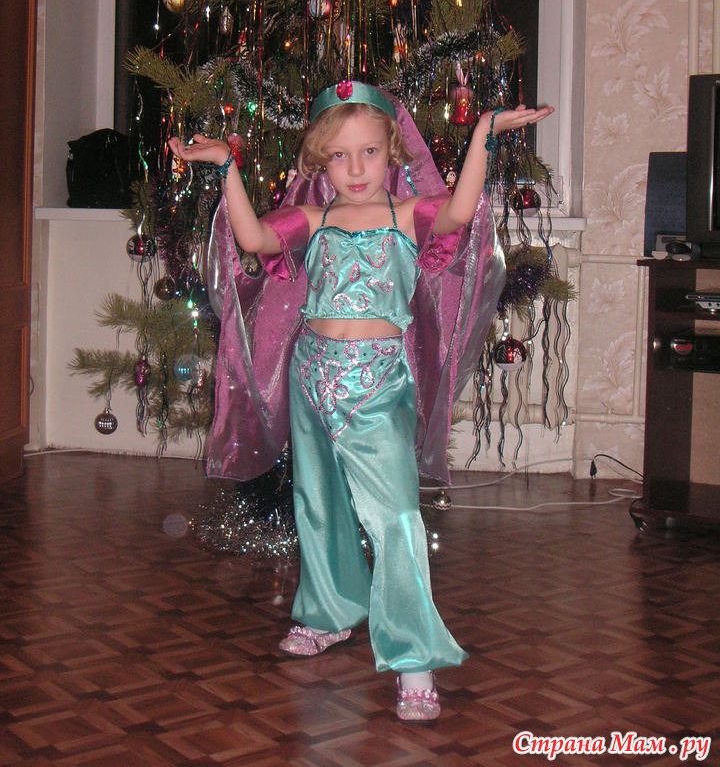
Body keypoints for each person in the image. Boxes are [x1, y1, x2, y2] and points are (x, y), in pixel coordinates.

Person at [169, 82, 553, 721]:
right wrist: (228, 166)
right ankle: (330, 612)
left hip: (377, 386)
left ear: (391, 152)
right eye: (339, 155)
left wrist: (484, 130)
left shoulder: (407, 216)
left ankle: (412, 656)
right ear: (320, 161)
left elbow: (459, 212)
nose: (354, 169)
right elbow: (254, 238)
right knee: (318, 505)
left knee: (396, 516)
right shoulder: (313, 221)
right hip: (311, 376)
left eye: (369, 152)